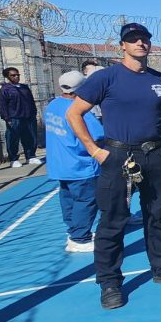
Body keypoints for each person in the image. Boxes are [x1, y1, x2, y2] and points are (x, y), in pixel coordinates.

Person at [67, 23, 161, 310]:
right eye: (133, 40)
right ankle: (109, 282)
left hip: (156, 155)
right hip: (118, 156)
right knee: (114, 220)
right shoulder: (106, 78)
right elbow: (75, 113)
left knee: (157, 215)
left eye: (144, 39)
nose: (140, 43)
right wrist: (95, 151)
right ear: (123, 45)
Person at [45, 71, 103, 252]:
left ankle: (73, 231)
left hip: (60, 164)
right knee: (86, 199)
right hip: (80, 164)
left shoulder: (53, 104)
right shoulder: (80, 111)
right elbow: (98, 135)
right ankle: (80, 238)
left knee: (68, 198)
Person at [0, 67, 41, 167]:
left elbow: (31, 101)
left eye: (17, 74)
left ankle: (30, 156)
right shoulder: (5, 89)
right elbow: (2, 105)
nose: (16, 76)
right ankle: (13, 159)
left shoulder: (24, 87)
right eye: (13, 75)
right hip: (14, 118)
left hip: (28, 117)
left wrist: (33, 113)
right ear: (8, 77)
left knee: (30, 137)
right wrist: (7, 118)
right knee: (13, 138)